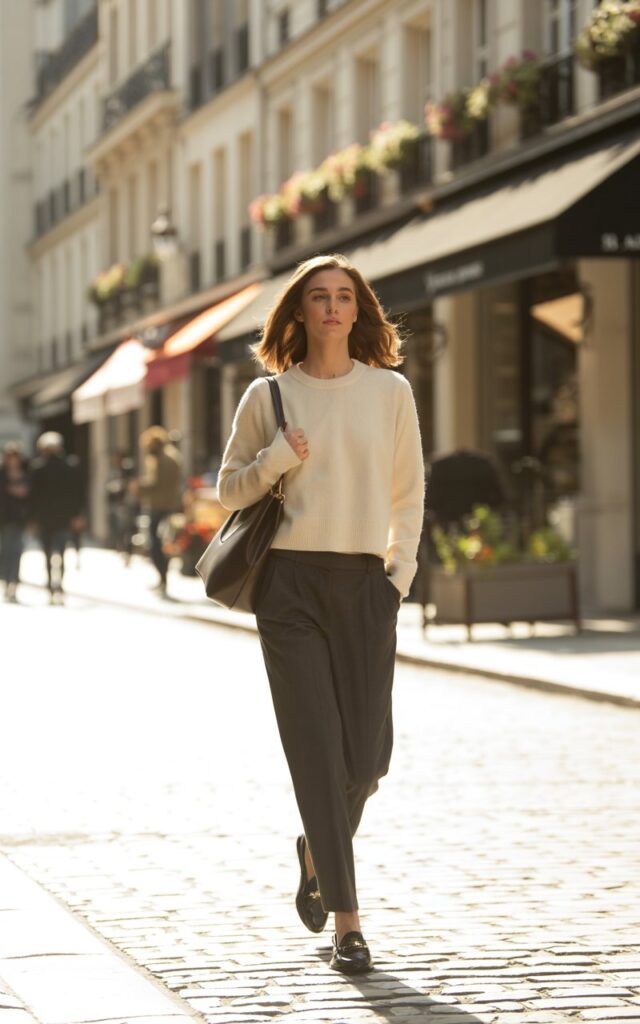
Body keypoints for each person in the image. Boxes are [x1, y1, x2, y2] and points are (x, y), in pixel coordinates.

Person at [217, 254, 424, 974]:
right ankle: (349, 922)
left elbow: (408, 491)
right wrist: (275, 458)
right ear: (299, 312)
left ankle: (315, 849)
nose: (332, 308)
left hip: (367, 583)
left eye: (344, 297)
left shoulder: (390, 391)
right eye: (319, 297)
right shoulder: (268, 395)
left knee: (365, 760)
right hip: (291, 588)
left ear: (358, 310)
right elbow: (229, 492)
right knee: (316, 753)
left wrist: (399, 574)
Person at [29, 432, 83, 603]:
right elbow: (77, 494)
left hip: (45, 517)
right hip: (63, 516)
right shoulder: (69, 466)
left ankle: (50, 584)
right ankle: (59, 584)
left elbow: (33, 496)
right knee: (61, 551)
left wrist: (32, 518)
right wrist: (76, 515)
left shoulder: (38, 468)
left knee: (47, 552)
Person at [136, 426, 182, 596]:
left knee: (155, 543)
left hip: (159, 505)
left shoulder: (161, 459)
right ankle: (163, 579)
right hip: (169, 504)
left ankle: (162, 577)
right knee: (163, 542)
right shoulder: (172, 456)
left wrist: (138, 487)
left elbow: (155, 483)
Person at [0, 443, 30, 603]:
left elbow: (32, 494)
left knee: (17, 551)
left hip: (19, 519)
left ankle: (14, 584)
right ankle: (6, 582)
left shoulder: (25, 473)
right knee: (6, 551)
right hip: (4, 519)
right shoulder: (2, 474)